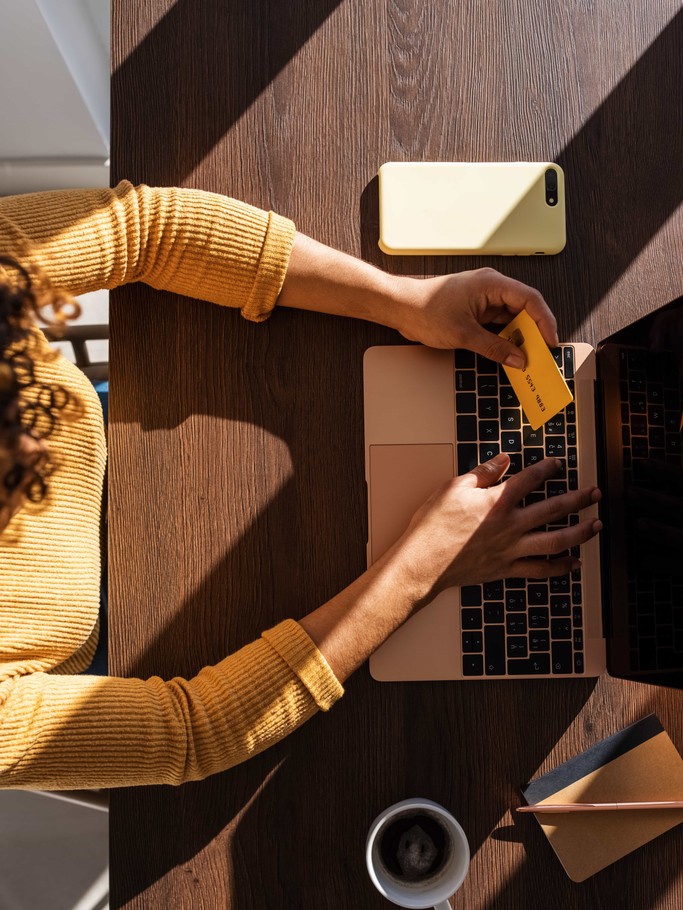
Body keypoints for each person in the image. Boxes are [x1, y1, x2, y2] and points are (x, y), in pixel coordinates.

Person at [0, 181, 601, 790]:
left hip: (115, 441)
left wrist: (403, 300)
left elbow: (148, 229)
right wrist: (426, 568)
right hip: (115, 634)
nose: (32, 443)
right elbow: (192, 731)